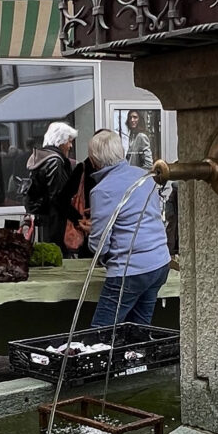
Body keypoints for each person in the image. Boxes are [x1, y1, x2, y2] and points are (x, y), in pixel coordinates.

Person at [85, 128, 173, 329]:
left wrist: (103, 255)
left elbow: (99, 243)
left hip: (130, 269)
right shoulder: (144, 175)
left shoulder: (102, 190)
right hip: (159, 262)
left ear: (94, 160)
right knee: (138, 330)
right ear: (121, 151)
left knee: (101, 333)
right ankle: (138, 360)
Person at [23, 122, 79, 247]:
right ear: (60, 141)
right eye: (69, 141)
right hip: (56, 222)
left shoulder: (42, 158)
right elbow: (58, 197)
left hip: (45, 219)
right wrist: (77, 218)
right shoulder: (55, 162)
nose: (70, 146)